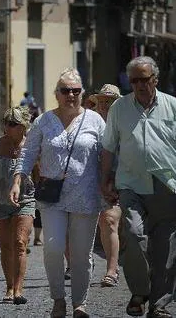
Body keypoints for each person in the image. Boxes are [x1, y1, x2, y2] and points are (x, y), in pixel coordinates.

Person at [11, 68, 105, 317]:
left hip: (86, 196)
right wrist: (17, 180)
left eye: (75, 90)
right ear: (57, 94)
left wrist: (111, 184)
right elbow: (28, 153)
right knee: (52, 247)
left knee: (81, 254)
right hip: (53, 196)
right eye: (65, 90)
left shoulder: (95, 121)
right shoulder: (43, 121)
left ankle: (79, 304)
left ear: (82, 93)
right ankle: (58, 299)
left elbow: (107, 156)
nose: (70, 95)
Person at [101, 56, 176, 318]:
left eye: (144, 79)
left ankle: (159, 305)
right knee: (133, 235)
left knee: (165, 249)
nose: (140, 85)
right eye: (134, 80)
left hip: (167, 185)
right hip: (131, 184)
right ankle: (140, 291)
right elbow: (109, 146)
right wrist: (104, 179)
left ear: (155, 79)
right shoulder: (119, 108)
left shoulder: (172, 106)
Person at [0, 106, 35, 304]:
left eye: (12, 124)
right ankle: (9, 287)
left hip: (25, 201)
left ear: (23, 126)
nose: (7, 127)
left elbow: (41, 173)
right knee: (6, 247)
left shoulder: (32, 145)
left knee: (20, 243)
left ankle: (19, 290)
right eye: (6, 122)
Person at [88, 84, 122, 288]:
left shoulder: (124, 121)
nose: (104, 104)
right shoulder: (88, 120)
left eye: (108, 101)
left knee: (109, 220)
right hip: (90, 179)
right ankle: (82, 265)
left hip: (118, 178)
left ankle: (112, 270)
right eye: (101, 100)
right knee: (97, 222)